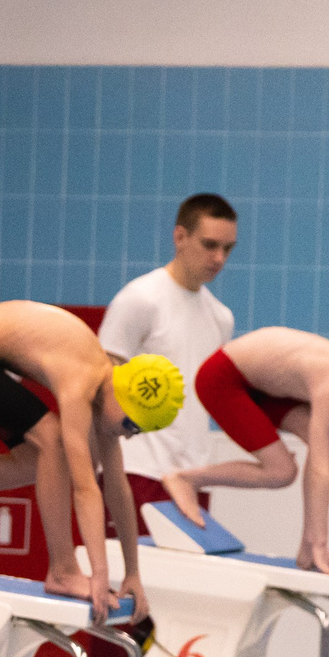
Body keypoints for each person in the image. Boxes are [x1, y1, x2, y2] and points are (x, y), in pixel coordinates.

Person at [0, 301, 182, 621]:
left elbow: (117, 488)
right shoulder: (80, 381)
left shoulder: (111, 387)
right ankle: (62, 570)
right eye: (132, 425)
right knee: (53, 441)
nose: (128, 435)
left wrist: (132, 574)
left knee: (38, 460)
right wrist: (100, 573)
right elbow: (86, 489)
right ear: (124, 397)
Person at [161, 326, 329, 581]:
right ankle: (186, 479)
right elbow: (320, 469)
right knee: (282, 471)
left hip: (261, 387)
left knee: (327, 437)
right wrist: (322, 545)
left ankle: (306, 548)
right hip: (222, 379)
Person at [102, 193, 238, 508]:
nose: (219, 258)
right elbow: (100, 384)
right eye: (209, 245)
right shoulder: (140, 299)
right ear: (180, 236)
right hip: (136, 470)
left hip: (193, 476)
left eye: (227, 249)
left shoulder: (221, 317)